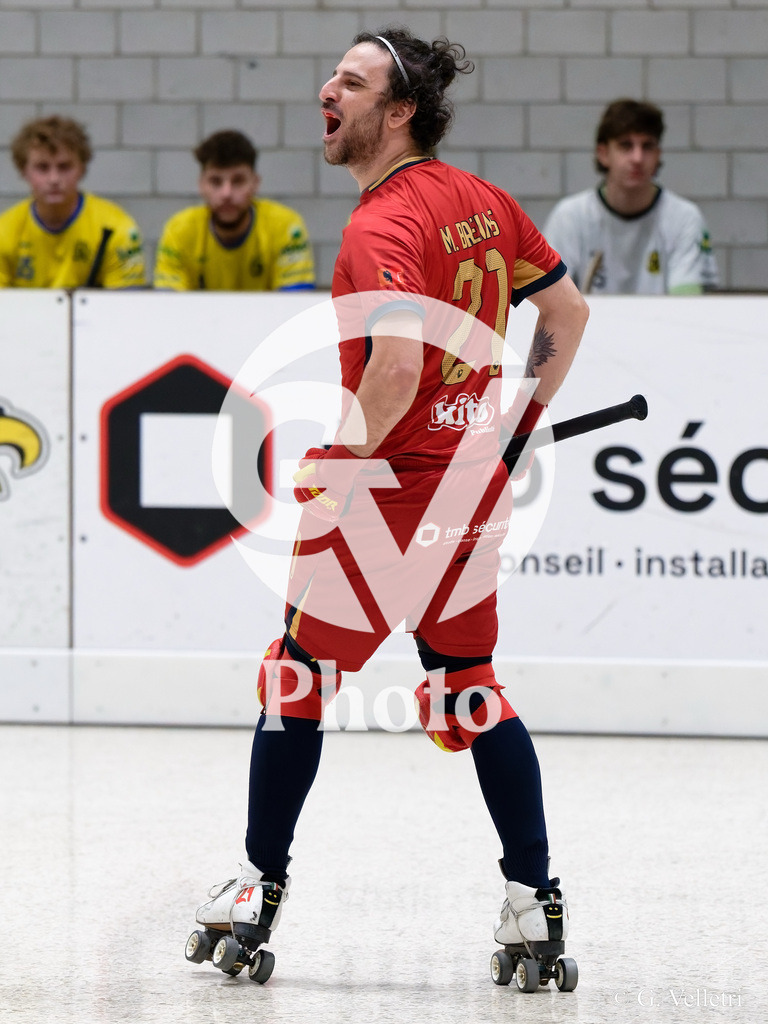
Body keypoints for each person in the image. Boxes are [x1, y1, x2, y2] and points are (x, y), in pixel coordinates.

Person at [186, 29, 589, 986]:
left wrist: (340, 459)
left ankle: (255, 891)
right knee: (471, 686)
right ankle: (534, 904)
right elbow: (566, 315)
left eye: (352, 81)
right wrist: (516, 428)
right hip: (471, 490)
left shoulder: (380, 226)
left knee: (296, 684)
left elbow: (399, 365)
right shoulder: (485, 203)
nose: (328, 88)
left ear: (398, 111)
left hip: (386, 499)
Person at [543, 99, 718, 295]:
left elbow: (688, 307)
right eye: (626, 146)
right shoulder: (570, 217)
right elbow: (551, 302)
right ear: (603, 154)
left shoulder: (684, 217)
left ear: (658, 154)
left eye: (647, 146)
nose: (637, 158)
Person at [153, 129, 315, 291]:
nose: (226, 193)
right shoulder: (179, 230)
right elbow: (168, 306)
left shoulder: (285, 227)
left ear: (255, 183)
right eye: (216, 182)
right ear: (201, 185)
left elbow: (295, 306)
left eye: (238, 181)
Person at [0, 115, 145, 289]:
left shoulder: (117, 227)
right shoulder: (5, 231)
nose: (54, 179)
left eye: (64, 167)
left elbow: (126, 307)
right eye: (42, 168)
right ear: (24, 171)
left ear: (82, 169)